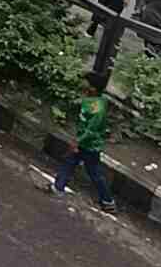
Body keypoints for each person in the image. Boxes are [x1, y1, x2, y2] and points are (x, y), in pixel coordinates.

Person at [49, 72, 118, 211]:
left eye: (86, 82)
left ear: (92, 88)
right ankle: (58, 186)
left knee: (94, 173)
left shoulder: (98, 108)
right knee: (70, 161)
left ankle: (108, 201)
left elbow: (91, 130)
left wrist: (77, 142)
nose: (82, 84)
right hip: (83, 142)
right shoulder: (91, 99)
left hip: (90, 146)